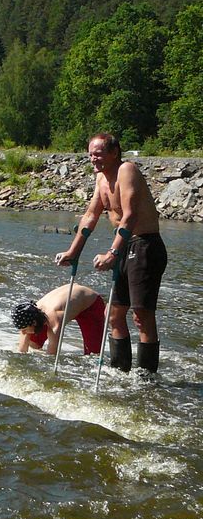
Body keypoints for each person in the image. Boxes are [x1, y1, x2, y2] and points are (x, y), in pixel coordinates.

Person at [55, 132, 167, 373]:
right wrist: (73, 251)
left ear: (114, 152)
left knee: (141, 316)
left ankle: (146, 378)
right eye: (90, 155)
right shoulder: (101, 180)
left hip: (145, 245)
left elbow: (130, 216)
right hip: (126, 246)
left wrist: (112, 253)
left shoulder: (127, 170)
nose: (93, 159)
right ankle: (121, 372)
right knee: (113, 315)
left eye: (98, 154)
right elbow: (90, 216)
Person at [11, 284, 105, 355]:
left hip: (91, 305)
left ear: (34, 322)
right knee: (34, 345)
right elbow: (22, 351)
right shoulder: (29, 313)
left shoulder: (54, 320)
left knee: (93, 354)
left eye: (24, 329)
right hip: (70, 301)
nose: (23, 332)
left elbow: (52, 355)